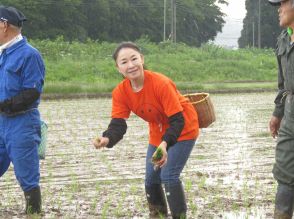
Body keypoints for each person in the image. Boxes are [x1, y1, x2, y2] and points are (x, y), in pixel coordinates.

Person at [93, 41, 199, 219]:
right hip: (158, 134)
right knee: (151, 180)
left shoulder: (161, 83)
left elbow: (177, 120)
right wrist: (107, 139)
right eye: (124, 62)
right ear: (118, 67)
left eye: (134, 59)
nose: (131, 65)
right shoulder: (120, 92)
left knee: (169, 175)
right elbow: (118, 124)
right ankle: (158, 216)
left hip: (183, 130)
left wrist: (165, 145)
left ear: (142, 59)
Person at [0, 6, 45, 214]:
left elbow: (32, 92)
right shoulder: (2, 54)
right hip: (1, 122)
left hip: (22, 122)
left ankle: (34, 213)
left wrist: (4, 105)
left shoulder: (29, 55)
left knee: (26, 173)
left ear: (4, 25)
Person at [268, 0, 294, 218]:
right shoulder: (283, 39)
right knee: (285, 168)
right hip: (290, 110)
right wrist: (278, 113)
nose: (279, 9)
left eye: (282, 3)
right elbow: (283, 83)